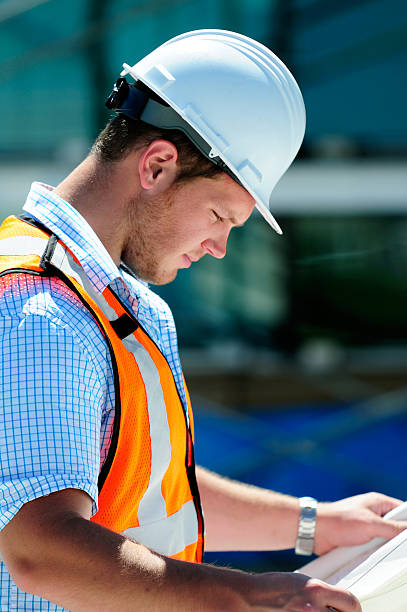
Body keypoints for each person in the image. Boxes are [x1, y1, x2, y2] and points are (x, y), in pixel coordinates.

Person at [0, 29, 404, 612]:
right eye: (221, 215)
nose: (220, 247)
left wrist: (316, 524)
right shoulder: (38, 311)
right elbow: (40, 548)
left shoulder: (122, 304)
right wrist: (246, 596)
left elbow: (153, 487)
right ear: (158, 166)